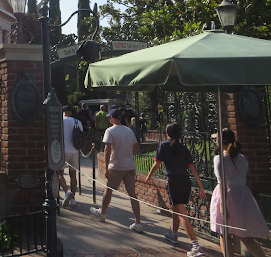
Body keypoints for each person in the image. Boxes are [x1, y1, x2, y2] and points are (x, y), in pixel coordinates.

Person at [145, 123, 206, 257]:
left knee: (181, 212)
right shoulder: (183, 148)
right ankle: (174, 233)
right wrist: (201, 187)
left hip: (174, 181)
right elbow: (192, 168)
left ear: (168, 133)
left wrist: (149, 176)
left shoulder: (164, 146)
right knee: (176, 208)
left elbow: (157, 163)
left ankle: (195, 245)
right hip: (185, 181)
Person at [210, 128, 269, 257]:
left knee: (225, 235)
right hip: (243, 196)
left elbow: (222, 183)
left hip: (227, 196)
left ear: (222, 141)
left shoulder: (219, 159)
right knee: (245, 236)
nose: (215, 141)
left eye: (217, 139)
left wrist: (222, 204)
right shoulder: (242, 158)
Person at [90, 108, 143, 233]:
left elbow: (107, 150)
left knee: (108, 190)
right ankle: (138, 222)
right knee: (133, 194)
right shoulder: (129, 131)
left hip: (116, 166)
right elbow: (135, 147)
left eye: (110, 117)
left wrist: (107, 167)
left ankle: (102, 213)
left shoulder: (110, 131)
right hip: (129, 165)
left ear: (113, 118)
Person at [56, 105, 82, 209]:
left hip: (63, 150)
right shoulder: (77, 122)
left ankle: (67, 191)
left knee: (59, 173)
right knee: (73, 174)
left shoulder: (60, 121)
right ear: (71, 112)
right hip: (74, 150)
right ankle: (73, 199)